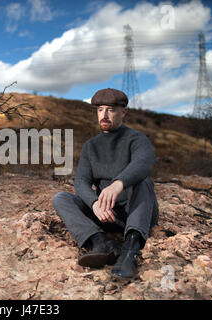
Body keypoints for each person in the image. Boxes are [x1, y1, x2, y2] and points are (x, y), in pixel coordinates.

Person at [52, 88, 159, 279]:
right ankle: (100, 242)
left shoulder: (136, 139)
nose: (104, 115)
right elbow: (82, 180)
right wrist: (94, 204)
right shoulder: (91, 146)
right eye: (100, 110)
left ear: (123, 112)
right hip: (105, 214)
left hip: (135, 213)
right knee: (61, 198)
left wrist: (119, 183)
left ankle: (130, 250)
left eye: (110, 110)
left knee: (144, 181)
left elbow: (144, 163)